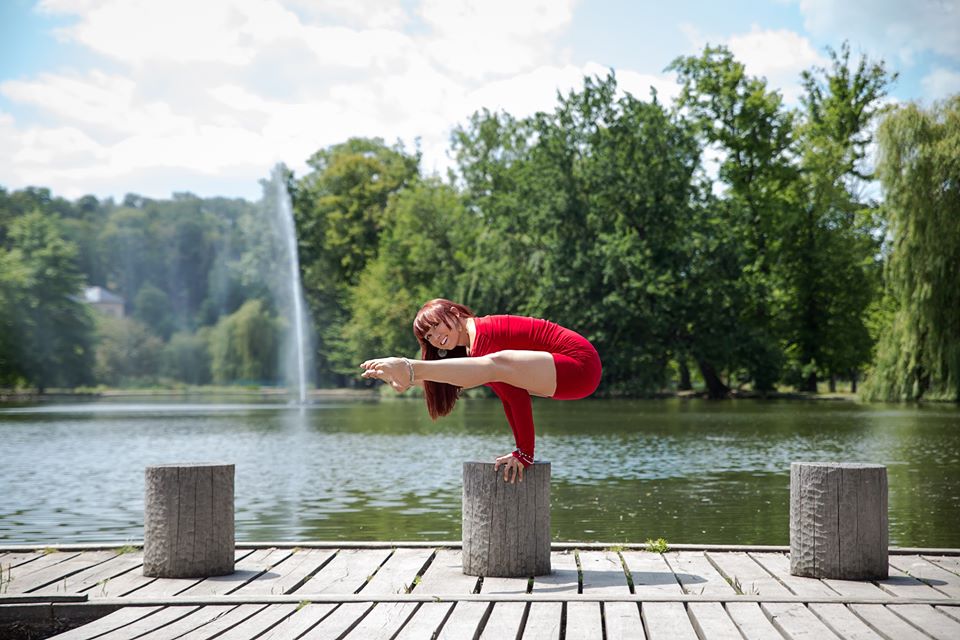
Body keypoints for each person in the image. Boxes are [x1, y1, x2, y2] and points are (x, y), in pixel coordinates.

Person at [360, 298, 602, 484]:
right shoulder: (478, 353)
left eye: (435, 326)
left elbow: (517, 399)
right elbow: (508, 397)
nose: (435, 337)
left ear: (454, 313)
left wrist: (525, 454)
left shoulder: (484, 336)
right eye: (429, 336)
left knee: (492, 365)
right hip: (570, 377)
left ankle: (409, 367)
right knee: (487, 369)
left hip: (579, 365)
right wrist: (411, 383)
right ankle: (410, 372)